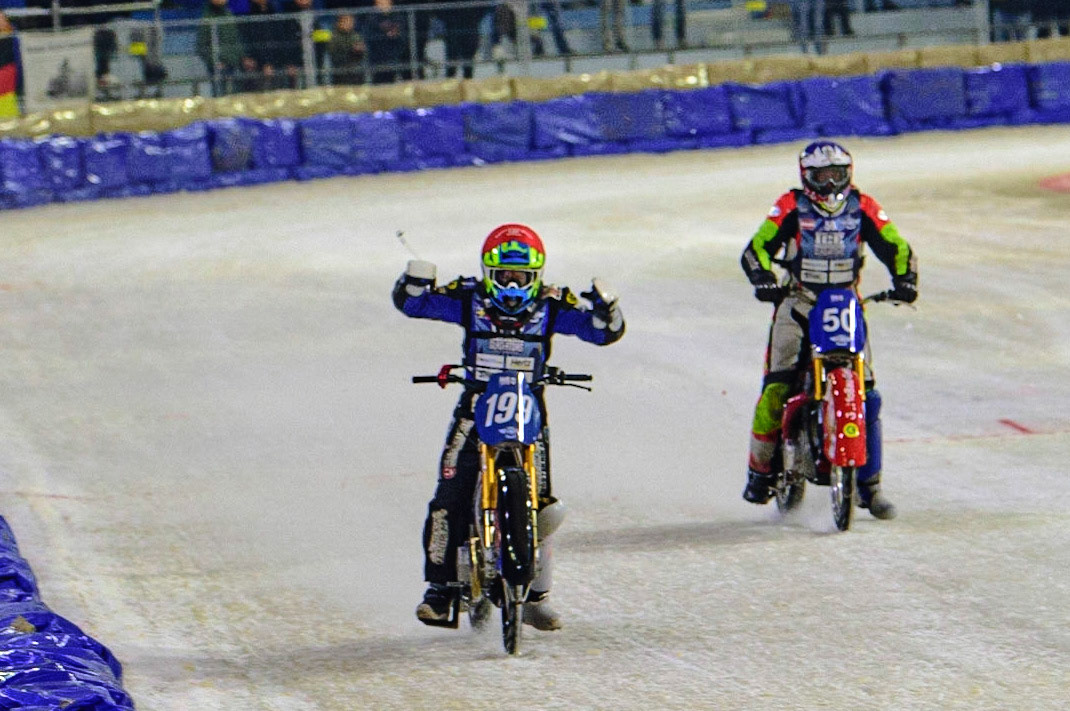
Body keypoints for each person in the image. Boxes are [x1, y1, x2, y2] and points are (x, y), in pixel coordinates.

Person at [393, 224, 625, 630]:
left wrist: (608, 309)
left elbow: (603, 332)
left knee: (543, 504)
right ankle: (440, 590)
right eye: (505, 275)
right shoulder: (468, 298)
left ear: (537, 275)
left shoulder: (552, 305)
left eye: (521, 276)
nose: (513, 285)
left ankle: (536, 596)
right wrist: (414, 281)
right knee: (450, 493)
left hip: (528, 406)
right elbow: (415, 304)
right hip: (475, 405)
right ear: (489, 273)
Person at [739, 141, 918, 520]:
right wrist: (762, 278)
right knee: (776, 388)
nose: (831, 183)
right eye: (822, 176)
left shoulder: (863, 206)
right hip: (798, 303)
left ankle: (870, 487)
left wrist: (906, 279)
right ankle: (760, 471)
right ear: (807, 177)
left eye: (837, 174)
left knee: (869, 395)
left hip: (846, 303)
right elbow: (756, 249)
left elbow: (897, 246)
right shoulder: (790, 206)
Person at [197, 0, 247, 96]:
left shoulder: (229, 14)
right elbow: (201, 46)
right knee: (220, 95)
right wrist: (214, 62)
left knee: (236, 95)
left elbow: (235, 38)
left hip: (233, 63)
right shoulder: (207, 18)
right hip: (218, 67)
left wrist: (242, 56)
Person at [328, 13, 367, 85]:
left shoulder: (356, 35)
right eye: (346, 21)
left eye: (351, 21)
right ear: (339, 23)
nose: (349, 24)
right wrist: (351, 49)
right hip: (340, 71)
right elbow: (334, 55)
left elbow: (362, 55)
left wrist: (360, 51)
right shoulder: (334, 37)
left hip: (356, 71)